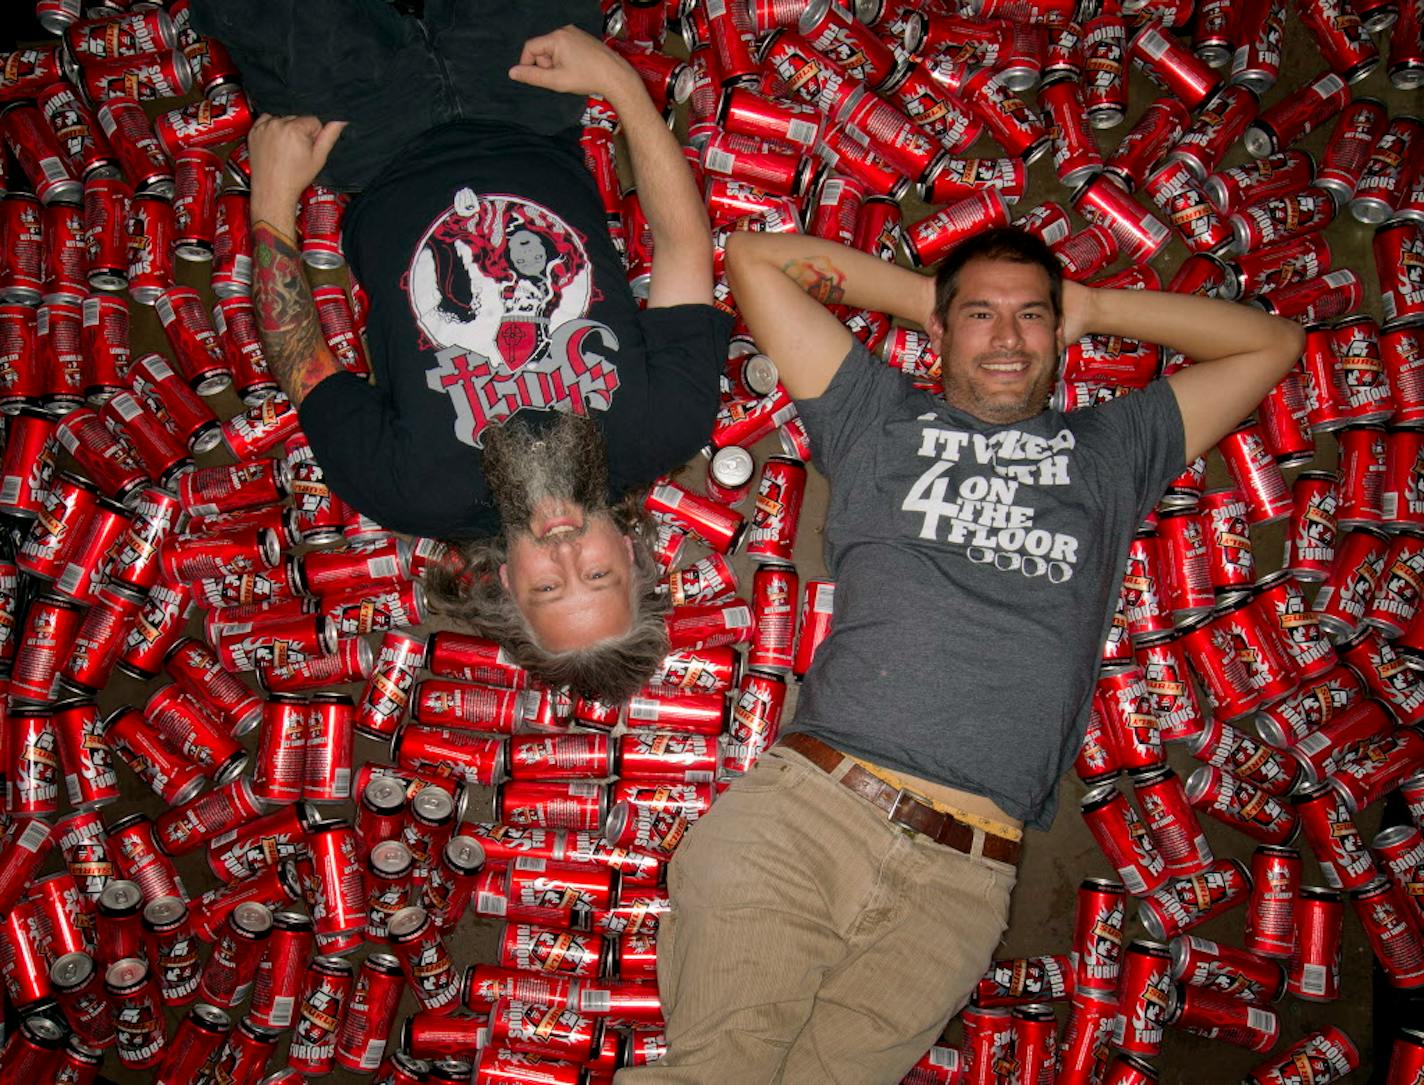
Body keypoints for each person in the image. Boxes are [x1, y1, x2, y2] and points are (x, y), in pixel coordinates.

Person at [615, 226, 1305, 1084]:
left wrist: (1085, 307)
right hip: (808, 824)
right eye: (981, 316)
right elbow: (756, 261)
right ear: (939, 335)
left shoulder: (1111, 452)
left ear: (1060, 334)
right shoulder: (877, 414)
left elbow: (1273, 341)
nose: (1009, 338)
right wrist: (933, 302)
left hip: (962, 886)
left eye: (1031, 319)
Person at [190, 1, 730, 700]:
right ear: (631, 554)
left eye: (546, 585)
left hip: (366, 144)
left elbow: (304, 365)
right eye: (596, 574)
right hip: (530, 105)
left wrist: (271, 202)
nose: (566, 552)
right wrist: (619, 85)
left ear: (508, 583)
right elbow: (683, 247)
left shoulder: (405, 490)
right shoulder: (670, 423)